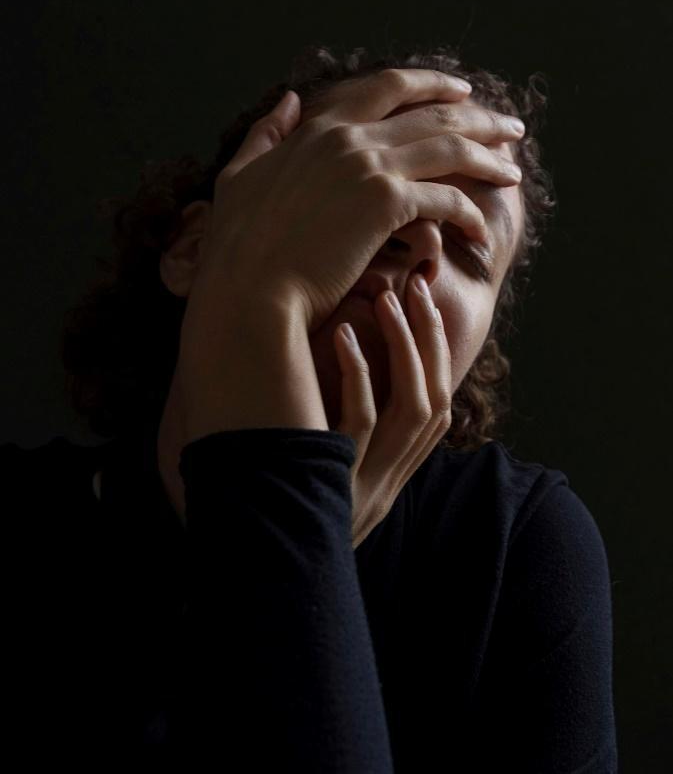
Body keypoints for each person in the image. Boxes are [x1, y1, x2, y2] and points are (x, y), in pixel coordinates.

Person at [1, 44, 618, 769]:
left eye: (466, 245)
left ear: (471, 357)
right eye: (361, 177)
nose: (415, 223)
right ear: (194, 248)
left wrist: (283, 526)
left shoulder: (518, 549)